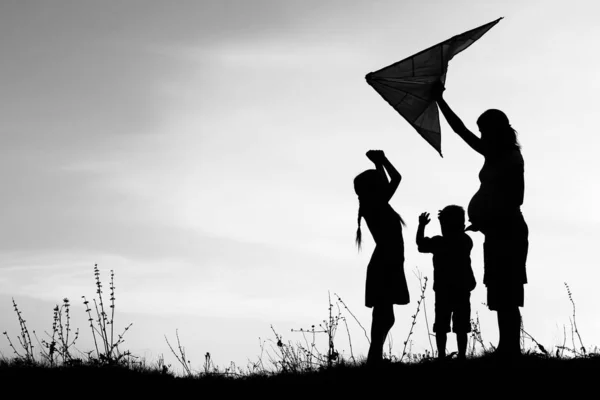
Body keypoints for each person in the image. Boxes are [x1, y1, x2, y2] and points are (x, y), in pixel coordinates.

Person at [433, 82, 528, 359]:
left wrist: (439, 100)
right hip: (497, 231)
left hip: (506, 230)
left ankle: (510, 349)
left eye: (484, 130)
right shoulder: (499, 154)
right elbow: (461, 131)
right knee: (500, 293)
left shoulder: (507, 156)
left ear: (495, 131)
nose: (481, 135)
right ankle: (506, 347)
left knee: (507, 294)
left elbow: (515, 199)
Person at [354, 149, 409, 365]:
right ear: (374, 188)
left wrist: (378, 164)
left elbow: (387, 182)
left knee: (385, 315)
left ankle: (374, 357)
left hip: (387, 261)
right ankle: (374, 358)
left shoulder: (373, 204)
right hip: (386, 262)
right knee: (384, 315)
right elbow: (396, 178)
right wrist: (383, 160)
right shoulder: (375, 204)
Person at [416, 206, 476, 360]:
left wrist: (422, 225)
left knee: (443, 326)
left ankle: (442, 356)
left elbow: (420, 244)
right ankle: (461, 355)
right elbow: (422, 245)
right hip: (461, 289)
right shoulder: (465, 240)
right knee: (460, 326)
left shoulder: (440, 242)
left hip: (444, 291)